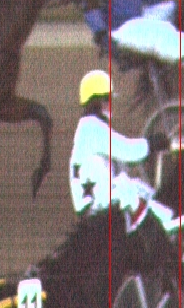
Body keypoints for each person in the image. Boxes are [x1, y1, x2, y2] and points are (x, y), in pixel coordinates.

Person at [68, 70, 170, 219]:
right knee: (132, 192)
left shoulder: (88, 128)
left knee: (139, 187)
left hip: (93, 203)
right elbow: (128, 151)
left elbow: (121, 161)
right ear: (97, 102)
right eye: (107, 99)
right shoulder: (92, 129)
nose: (110, 105)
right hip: (98, 206)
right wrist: (152, 144)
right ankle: (167, 222)